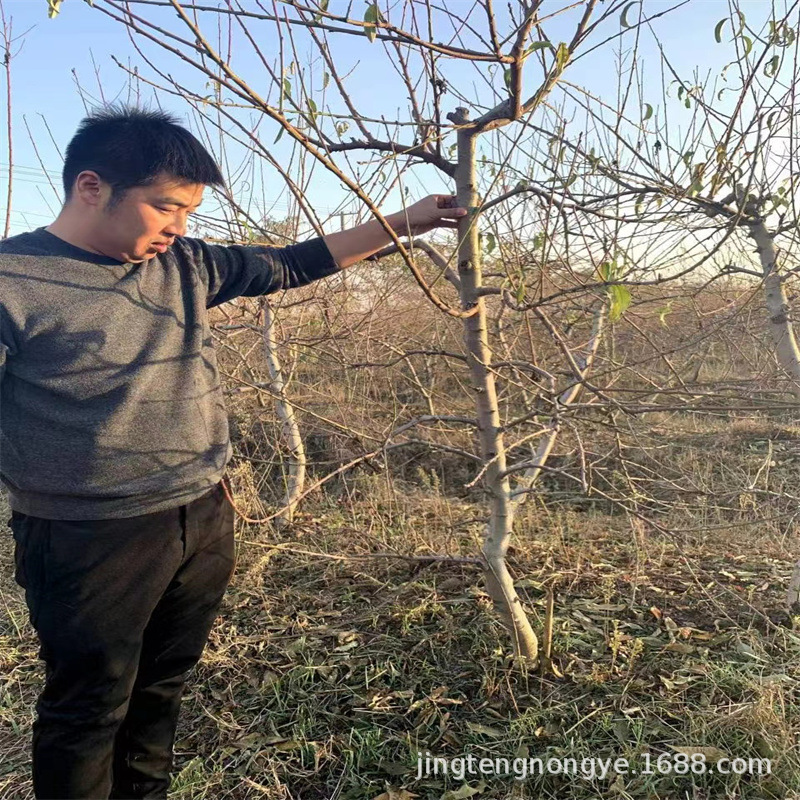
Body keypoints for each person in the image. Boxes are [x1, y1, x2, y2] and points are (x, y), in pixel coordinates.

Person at [0, 106, 466, 800]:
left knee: (160, 693)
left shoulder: (184, 264)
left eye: (188, 211)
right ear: (91, 187)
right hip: (87, 536)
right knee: (89, 709)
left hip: (202, 516)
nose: (179, 226)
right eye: (165, 206)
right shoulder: (14, 280)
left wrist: (405, 221)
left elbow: (293, 264)